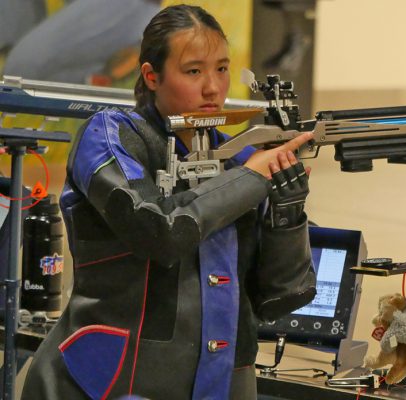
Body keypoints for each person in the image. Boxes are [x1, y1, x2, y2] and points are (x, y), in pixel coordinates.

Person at [21, 4, 316, 400]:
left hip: (225, 378)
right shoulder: (109, 137)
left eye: (223, 69)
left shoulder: (239, 155)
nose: (213, 87)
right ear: (151, 76)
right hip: (108, 381)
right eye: (194, 71)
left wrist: (287, 212)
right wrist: (250, 179)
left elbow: (278, 299)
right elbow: (159, 231)